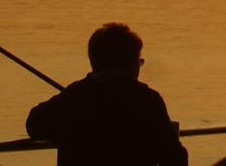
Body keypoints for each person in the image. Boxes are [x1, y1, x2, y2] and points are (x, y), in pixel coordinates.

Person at [26, 23, 188, 166]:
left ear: (94, 60)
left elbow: (34, 125)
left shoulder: (74, 96)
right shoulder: (147, 100)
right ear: (131, 63)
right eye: (139, 62)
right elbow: (173, 156)